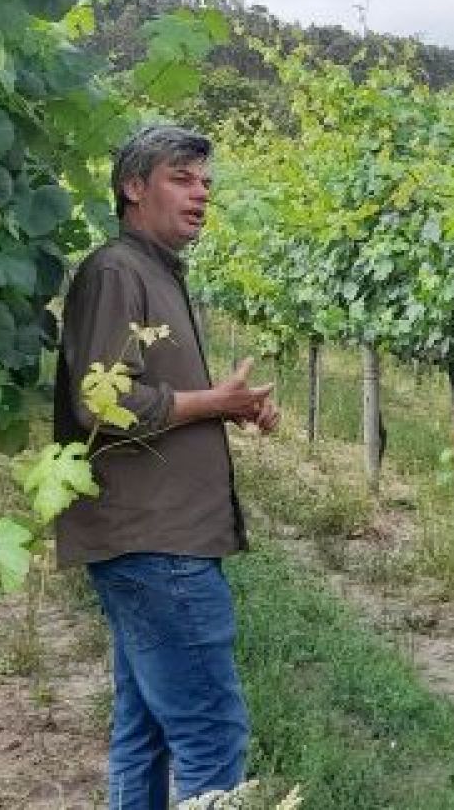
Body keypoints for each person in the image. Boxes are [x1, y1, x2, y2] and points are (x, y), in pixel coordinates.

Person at [53, 125, 279, 809]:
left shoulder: (154, 272)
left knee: (144, 728)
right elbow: (101, 399)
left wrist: (228, 409)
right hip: (158, 543)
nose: (202, 192)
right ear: (133, 187)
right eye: (183, 177)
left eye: (206, 181)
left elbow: (149, 395)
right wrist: (214, 400)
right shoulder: (119, 270)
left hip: (155, 539)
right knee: (211, 731)